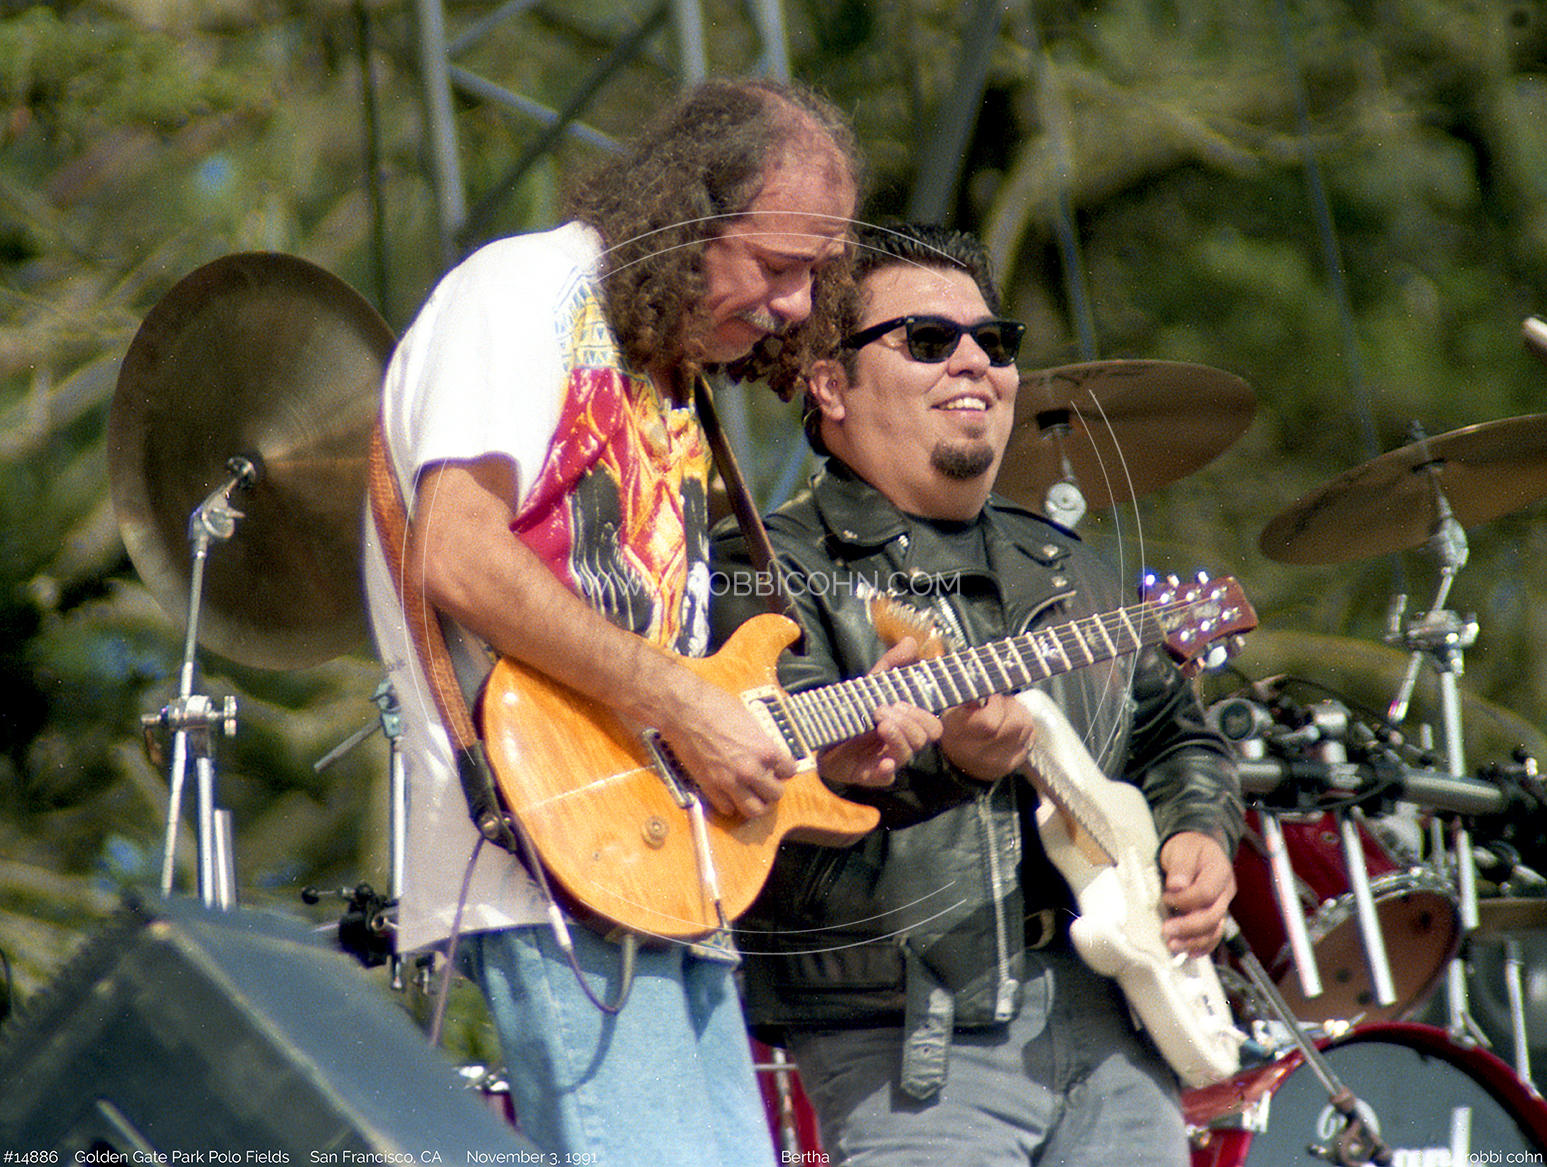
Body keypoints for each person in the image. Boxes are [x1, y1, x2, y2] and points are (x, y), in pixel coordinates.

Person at [361, 78, 859, 1167]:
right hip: (547, 849)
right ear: (686, 216)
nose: (793, 304)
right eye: (776, 265)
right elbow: (456, 551)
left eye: (815, 275)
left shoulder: (659, 360)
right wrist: (682, 702)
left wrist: (805, 738)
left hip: (669, 856)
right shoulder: (524, 292)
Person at [711, 222, 1243, 1166]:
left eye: (993, 342)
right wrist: (942, 768)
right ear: (829, 385)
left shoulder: (1066, 564)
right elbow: (765, 802)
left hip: (1120, 1026)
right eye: (927, 339)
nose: (974, 362)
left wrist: (1198, 830)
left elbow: (1174, 737)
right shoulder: (763, 568)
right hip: (911, 1036)